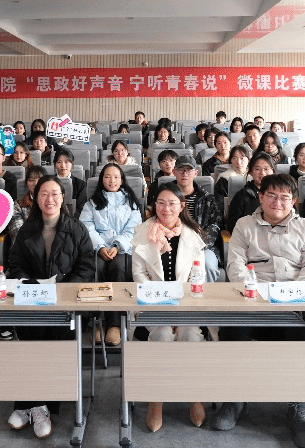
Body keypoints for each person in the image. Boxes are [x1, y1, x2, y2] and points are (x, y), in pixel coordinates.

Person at [214, 173, 305, 447]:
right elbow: (235, 265)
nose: (277, 202)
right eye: (271, 196)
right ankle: (234, 399)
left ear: (293, 201)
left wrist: (293, 294)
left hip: (292, 303)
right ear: (260, 197)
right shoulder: (244, 225)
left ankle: (299, 408)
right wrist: (256, 292)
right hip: (252, 300)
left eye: (284, 197)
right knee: (232, 330)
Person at [7, 176, 95, 439]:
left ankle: (36, 406)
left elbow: (87, 266)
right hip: (34, 300)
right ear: (36, 198)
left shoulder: (76, 229)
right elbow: (16, 265)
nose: (50, 199)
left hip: (67, 303)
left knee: (55, 336)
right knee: (31, 335)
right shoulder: (27, 229)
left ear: (63, 197)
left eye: (55, 193)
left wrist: (63, 291)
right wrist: (33, 286)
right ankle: (36, 406)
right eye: (44, 194)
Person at [131, 184, 208, 432]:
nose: (166, 208)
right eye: (161, 203)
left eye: (172, 203)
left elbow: (197, 278)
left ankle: (195, 396)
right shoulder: (142, 233)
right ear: (154, 205)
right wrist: (164, 306)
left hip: (186, 307)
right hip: (153, 305)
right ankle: (157, 400)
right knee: (163, 334)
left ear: (182, 206)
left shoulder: (193, 236)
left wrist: (179, 308)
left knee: (189, 334)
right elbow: (139, 276)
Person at [79, 163, 141, 346]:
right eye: (107, 176)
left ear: (121, 180)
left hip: (122, 248)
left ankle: (114, 323)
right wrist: (100, 247)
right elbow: (86, 227)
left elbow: (134, 228)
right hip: (97, 248)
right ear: (102, 180)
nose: (111, 180)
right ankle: (98, 321)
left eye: (116, 177)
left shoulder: (131, 203)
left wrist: (117, 245)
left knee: (119, 267)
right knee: (96, 268)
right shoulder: (91, 203)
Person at [171, 155, 223, 281]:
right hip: (172, 243)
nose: (185, 174)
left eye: (189, 170)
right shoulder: (166, 196)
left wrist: (198, 245)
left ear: (195, 173)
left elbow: (215, 225)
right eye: (181, 169)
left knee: (208, 265)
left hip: (202, 246)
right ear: (174, 172)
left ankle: (205, 294)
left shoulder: (207, 198)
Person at [226, 152, 275, 233]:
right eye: (257, 169)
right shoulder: (242, 196)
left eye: (266, 169)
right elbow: (233, 226)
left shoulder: (282, 194)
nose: (262, 173)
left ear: (273, 171)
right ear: (251, 172)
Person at [53, 148, 87, 213]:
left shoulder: (80, 185)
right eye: (59, 162)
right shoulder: (48, 183)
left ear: (72, 163)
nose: (63, 166)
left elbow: (80, 210)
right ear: (55, 164)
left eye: (66, 162)